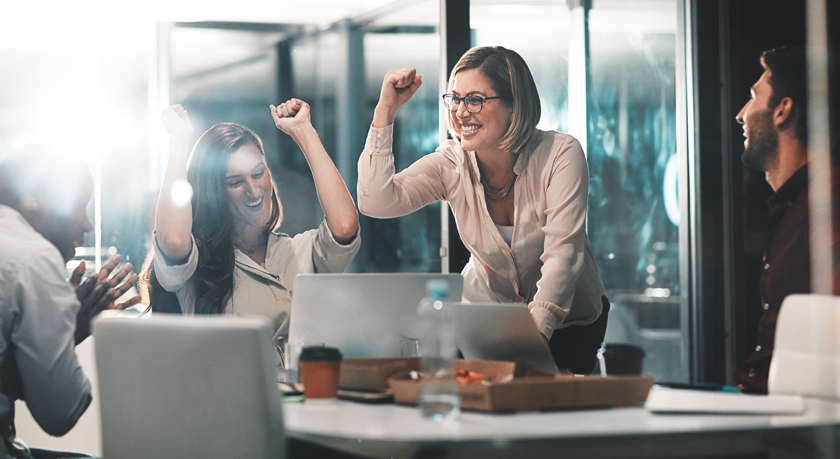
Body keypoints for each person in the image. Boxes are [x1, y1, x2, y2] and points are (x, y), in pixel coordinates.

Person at [357, 46, 609, 374]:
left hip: (569, 322)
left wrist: (529, 343)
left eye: (475, 99)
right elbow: (375, 201)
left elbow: (564, 257)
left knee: (550, 413)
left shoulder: (560, 153)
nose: (461, 112)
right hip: (489, 321)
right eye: (455, 99)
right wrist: (385, 110)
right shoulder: (451, 163)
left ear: (514, 105)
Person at [144, 99, 360, 368]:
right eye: (235, 182)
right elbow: (174, 239)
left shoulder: (297, 251)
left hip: (306, 403)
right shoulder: (197, 262)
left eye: (259, 173)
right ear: (214, 192)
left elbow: (345, 225)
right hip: (231, 405)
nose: (253, 190)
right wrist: (178, 143)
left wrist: (305, 132)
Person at [0, 145, 140, 459]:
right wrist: (67, 331)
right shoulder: (33, 256)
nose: (87, 225)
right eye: (80, 205)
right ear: (35, 198)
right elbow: (61, 413)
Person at [734, 46, 840, 394]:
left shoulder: (828, 203)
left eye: (753, 97)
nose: (741, 114)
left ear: (783, 110)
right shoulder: (795, 205)